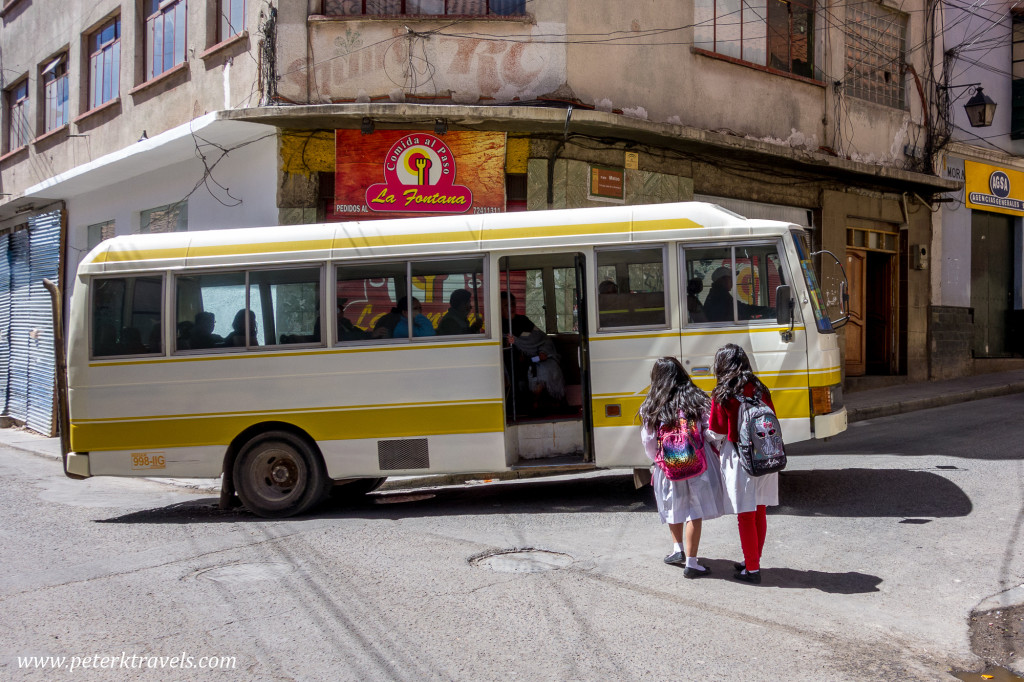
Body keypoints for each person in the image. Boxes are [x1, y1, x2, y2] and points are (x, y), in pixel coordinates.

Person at [639, 357, 723, 578]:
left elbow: (648, 440)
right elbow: (709, 430)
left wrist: (656, 459)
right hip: (698, 463)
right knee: (694, 511)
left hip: (667, 466)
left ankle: (677, 549)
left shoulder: (651, 404)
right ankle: (692, 563)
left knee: (672, 504)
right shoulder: (696, 398)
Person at [706, 343, 778, 584]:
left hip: (740, 459)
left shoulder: (723, 393)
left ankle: (753, 569)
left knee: (745, 515)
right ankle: (752, 560)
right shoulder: (760, 387)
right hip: (765, 456)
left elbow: (716, 432)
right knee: (760, 510)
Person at [703, 266, 771, 322]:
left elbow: (741, 308)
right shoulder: (719, 296)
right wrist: (762, 314)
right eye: (730, 278)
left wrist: (764, 310)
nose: (733, 281)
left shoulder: (719, 293)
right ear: (721, 280)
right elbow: (741, 311)